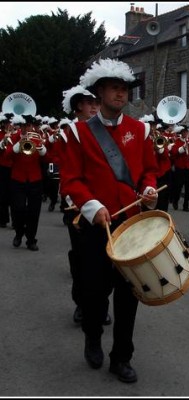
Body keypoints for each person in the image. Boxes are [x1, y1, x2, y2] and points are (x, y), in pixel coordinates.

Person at [59, 58, 158, 383]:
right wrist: (91, 205)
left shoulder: (140, 129)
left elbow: (150, 170)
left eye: (125, 88)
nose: (121, 93)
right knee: (92, 291)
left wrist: (148, 188)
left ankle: (121, 357)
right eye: (115, 88)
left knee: (129, 294)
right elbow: (71, 180)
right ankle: (91, 335)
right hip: (95, 226)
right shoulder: (76, 132)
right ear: (99, 92)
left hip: (130, 226)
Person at [59, 85, 109, 326]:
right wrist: (76, 204)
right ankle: (82, 303)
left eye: (97, 103)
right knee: (82, 260)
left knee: (107, 261)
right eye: (89, 103)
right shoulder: (69, 131)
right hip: (77, 206)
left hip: (104, 206)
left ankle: (101, 304)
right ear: (78, 105)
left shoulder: (105, 131)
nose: (94, 107)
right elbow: (66, 170)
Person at [4, 114, 47, 251]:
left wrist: (41, 148)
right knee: (18, 209)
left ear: (31, 126)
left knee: (34, 212)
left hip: (35, 179)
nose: (26, 128)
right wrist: (18, 144)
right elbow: (7, 155)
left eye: (28, 125)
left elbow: (45, 157)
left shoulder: (37, 137)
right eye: (23, 125)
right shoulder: (14, 137)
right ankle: (18, 233)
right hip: (17, 178)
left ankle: (31, 240)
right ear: (20, 126)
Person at [170, 124, 189, 212]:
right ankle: (175, 201)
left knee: (188, 188)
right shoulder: (177, 141)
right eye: (184, 132)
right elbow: (174, 152)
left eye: (186, 132)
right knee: (178, 186)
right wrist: (183, 147)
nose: (186, 133)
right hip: (180, 167)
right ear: (181, 133)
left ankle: (186, 205)